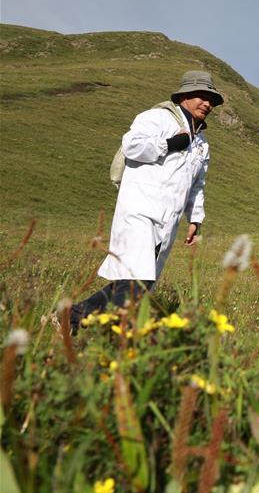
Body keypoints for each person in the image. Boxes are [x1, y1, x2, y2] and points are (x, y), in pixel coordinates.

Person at [69, 71, 224, 330]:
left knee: (142, 282)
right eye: (202, 96)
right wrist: (171, 144)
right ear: (185, 95)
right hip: (140, 209)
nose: (207, 104)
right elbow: (132, 146)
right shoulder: (157, 117)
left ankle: (73, 316)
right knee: (136, 278)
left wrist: (195, 218)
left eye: (211, 100)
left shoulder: (201, 144)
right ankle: (111, 332)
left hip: (168, 219)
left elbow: (197, 184)